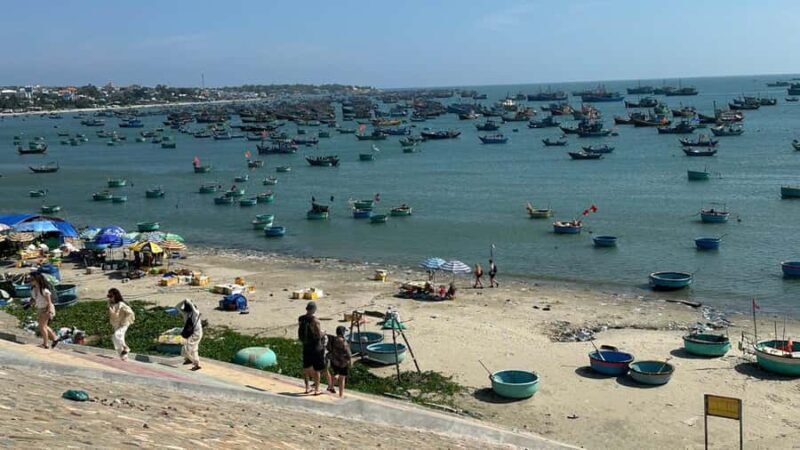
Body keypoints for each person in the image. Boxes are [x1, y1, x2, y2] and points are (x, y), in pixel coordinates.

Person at [298, 301, 326, 395]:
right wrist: (324, 333)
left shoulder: (301, 319)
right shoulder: (315, 320)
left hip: (306, 346)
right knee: (317, 369)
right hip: (316, 347)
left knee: (306, 368)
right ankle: (317, 389)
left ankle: (307, 387)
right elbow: (318, 334)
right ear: (314, 309)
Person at [30, 272, 57, 349]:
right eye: (30, 279)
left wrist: (49, 312)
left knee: (41, 326)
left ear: (37, 280)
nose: (30, 281)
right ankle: (55, 338)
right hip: (40, 309)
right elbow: (34, 299)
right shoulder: (34, 289)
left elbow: (49, 302)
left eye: (32, 279)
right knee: (44, 326)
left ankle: (45, 344)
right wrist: (29, 304)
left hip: (46, 309)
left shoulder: (44, 290)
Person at [107, 288, 135, 360]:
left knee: (117, 335)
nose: (110, 298)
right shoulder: (110, 304)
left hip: (124, 323)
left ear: (115, 296)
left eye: (111, 296)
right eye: (109, 296)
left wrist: (124, 320)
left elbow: (130, 312)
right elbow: (111, 314)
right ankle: (123, 356)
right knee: (116, 338)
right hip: (116, 323)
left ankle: (126, 348)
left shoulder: (121, 304)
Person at [326, 326, 352, 398]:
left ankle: (331, 386)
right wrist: (350, 363)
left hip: (334, 361)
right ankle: (341, 394)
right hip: (343, 363)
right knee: (342, 378)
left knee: (336, 374)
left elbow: (328, 348)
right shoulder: (344, 342)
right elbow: (349, 354)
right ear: (343, 332)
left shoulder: (333, 339)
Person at [178, 299, 203, 371]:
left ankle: (195, 362)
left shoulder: (195, 313)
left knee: (186, 348)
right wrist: (184, 301)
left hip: (196, 334)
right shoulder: (187, 314)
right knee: (194, 349)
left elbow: (178, 307)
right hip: (192, 333)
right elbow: (177, 307)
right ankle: (192, 361)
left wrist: (188, 302)